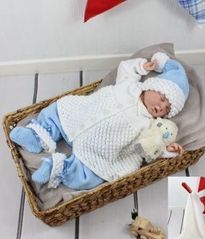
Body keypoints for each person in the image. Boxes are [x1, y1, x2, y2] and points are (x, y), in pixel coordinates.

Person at [10, 52, 189, 190]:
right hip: (82, 114)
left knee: (92, 174)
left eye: (167, 109)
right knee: (60, 109)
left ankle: (56, 168)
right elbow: (126, 68)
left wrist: (168, 151)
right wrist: (142, 66)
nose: (162, 107)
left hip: (100, 147)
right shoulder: (129, 86)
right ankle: (35, 136)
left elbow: (152, 145)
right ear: (152, 87)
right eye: (163, 98)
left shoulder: (150, 125)